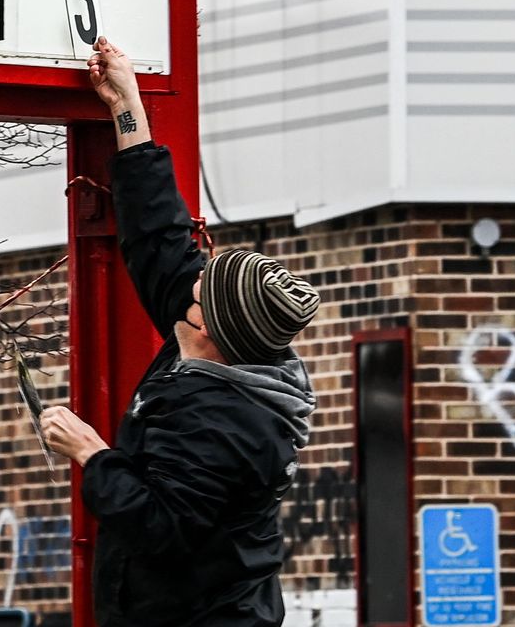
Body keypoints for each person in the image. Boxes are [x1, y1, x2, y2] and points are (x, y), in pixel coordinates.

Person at [40, 37, 320, 627]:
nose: (188, 285)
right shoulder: (218, 332)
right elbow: (160, 239)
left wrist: (90, 453)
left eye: (200, 292)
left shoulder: (229, 425)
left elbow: (159, 525)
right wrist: (127, 108)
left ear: (209, 331)